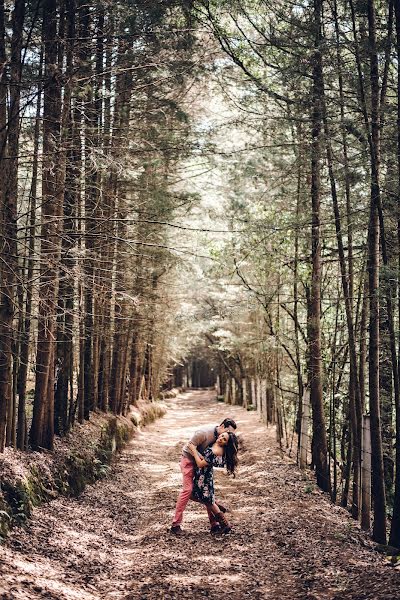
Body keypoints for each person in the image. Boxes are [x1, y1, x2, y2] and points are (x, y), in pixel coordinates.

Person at [170, 418, 237, 535]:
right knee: (189, 491)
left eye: (228, 436)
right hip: (189, 460)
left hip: (202, 468)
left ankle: (215, 523)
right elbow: (190, 446)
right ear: (222, 426)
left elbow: (208, 459)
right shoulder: (204, 433)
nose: (226, 436)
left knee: (206, 495)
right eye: (226, 433)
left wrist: (202, 458)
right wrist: (199, 456)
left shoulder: (219, 445)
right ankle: (176, 525)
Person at [189, 431, 238, 533]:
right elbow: (204, 459)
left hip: (204, 477)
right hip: (203, 475)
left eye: (224, 439)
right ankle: (216, 506)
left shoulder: (216, 451)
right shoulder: (216, 445)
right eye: (222, 436)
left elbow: (200, 464)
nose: (221, 439)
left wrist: (193, 450)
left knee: (197, 497)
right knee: (196, 496)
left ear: (226, 444)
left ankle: (225, 524)